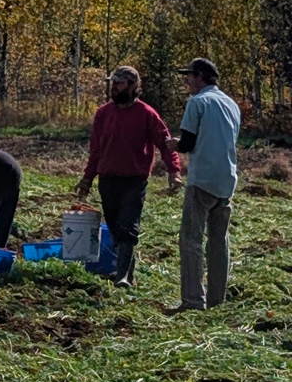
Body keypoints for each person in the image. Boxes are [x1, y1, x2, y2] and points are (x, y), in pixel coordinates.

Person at [75, 65, 182, 288]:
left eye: (119, 83)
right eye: (113, 83)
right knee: (115, 228)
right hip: (108, 179)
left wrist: (174, 172)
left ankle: (122, 276)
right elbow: (96, 150)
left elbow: (165, 144)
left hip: (135, 179)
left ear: (133, 86)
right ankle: (128, 275)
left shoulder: (147, 114)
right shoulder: (103, 114)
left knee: (128, 226)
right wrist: (87, 179)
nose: (114, 87)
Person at [165, 58, 241, 311]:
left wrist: (175, 144)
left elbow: (188, 143)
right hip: (227, 178)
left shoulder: (197, 102)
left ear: (200, 76)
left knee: (191, 240)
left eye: (189, 75)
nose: (187, 80)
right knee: (219, 241)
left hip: (203, 179)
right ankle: (218, 299)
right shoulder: (231, 104)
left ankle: (193, 300)